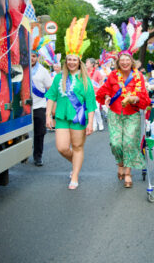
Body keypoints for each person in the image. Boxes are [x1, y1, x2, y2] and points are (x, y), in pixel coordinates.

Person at [97, 18, 151, 188]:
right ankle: (119, 164)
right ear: (118, 61)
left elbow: (145, 98)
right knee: (116, 143)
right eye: (122, 60)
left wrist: (134, 98)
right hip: (115, 114)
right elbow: (103, 91)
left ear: (132, 60)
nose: (125, 62)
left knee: (129, 142)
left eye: (128, 59)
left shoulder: (138, 76)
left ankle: (128, 173)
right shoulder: (113, 76)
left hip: (132, 114)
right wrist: (106, 98)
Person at [45, 16, 97, 190]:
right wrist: (47, 116)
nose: (72, 62)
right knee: (61, 148)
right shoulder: (59, 77)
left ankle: (74, 175)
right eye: (69, 59)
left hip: (79, 118)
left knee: (77, 146)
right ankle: (76, 162)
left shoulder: (85, 80)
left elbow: (90, 103)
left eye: (75, 59)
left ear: (79, 61)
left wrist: (90, 123)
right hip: (61, 117)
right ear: (66, 61)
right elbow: (51, 96)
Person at [30, 34, 53, 167]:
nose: (32, 58)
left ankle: (38, 156)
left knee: (40, 133)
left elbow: (50, 89)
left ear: (37, 57)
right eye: (30, 56)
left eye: (34, 56)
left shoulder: (43, 71)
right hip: (25, 107)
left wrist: (50, 109)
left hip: (39, 106)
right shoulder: (23, 69)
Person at [86, 58, 105, 131]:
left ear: (92, 64)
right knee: (91, 110)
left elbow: (100, 82)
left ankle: (100, 123)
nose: (86, 64)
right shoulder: (85, 72)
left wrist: (100, 90)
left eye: (87, 62)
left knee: (96, 109)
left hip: (96, 93)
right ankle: (94, 125)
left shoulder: (97, 72)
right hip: (88, 93)